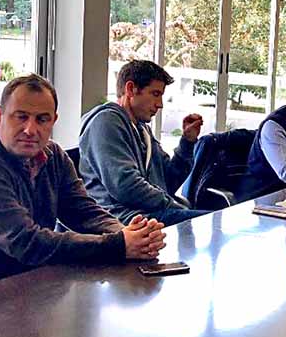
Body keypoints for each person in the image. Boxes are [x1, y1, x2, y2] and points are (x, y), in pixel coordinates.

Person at [0, 74, 166, 295]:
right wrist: (118, 245)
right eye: (21, 117)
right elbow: (27, 243)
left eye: (42, 119)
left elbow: (83, 211)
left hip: (22, 286)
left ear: (53, 121)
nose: (30, 129)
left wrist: (130, 234)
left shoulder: (53, 156)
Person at [79, 60, 208, 227]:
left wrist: (187, 142)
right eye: (155, 94)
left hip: (149, 215)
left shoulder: (142, 130)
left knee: (212, 222)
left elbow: (168, 182)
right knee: (209, 224)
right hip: (124, 221)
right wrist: (173, 205)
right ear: (130, 89)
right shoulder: (105, 123)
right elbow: (125, 187)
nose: (160, 104)